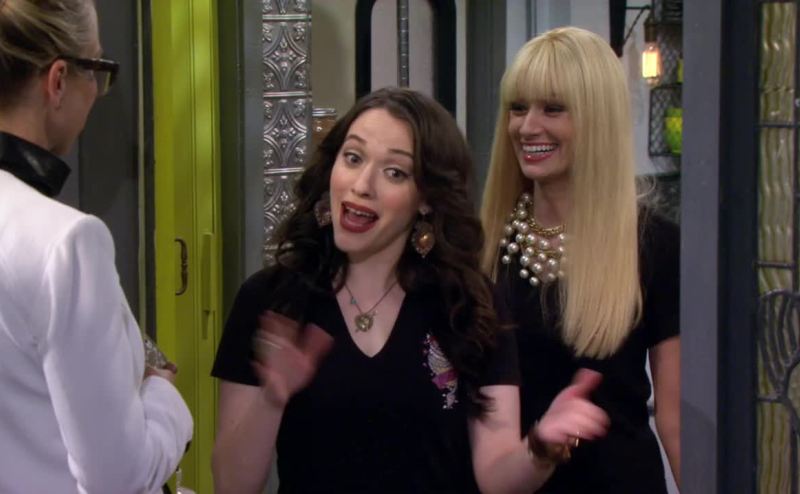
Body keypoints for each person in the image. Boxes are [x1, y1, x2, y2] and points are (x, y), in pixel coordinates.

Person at [211, 87, 609, 494]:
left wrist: (540, 447)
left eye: (395, 173)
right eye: (353, 158)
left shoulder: (470, 306)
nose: (362, 184)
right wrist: (272, 399)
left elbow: (497, 477)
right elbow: (231, 485)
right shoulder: (271, 300)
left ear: (425, 200)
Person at [0, 0, 193, 492]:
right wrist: (164, 398)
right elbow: (120, 478)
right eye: (97, 69)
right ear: (58, 80)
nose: (97, 93)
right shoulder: (65, 242)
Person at [481, 27, 681, 493]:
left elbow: (676, 421)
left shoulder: (655, 245)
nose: (527, 127)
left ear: (597, 118)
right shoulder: (483, 249)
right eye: (518, 108)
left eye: (553, 109)